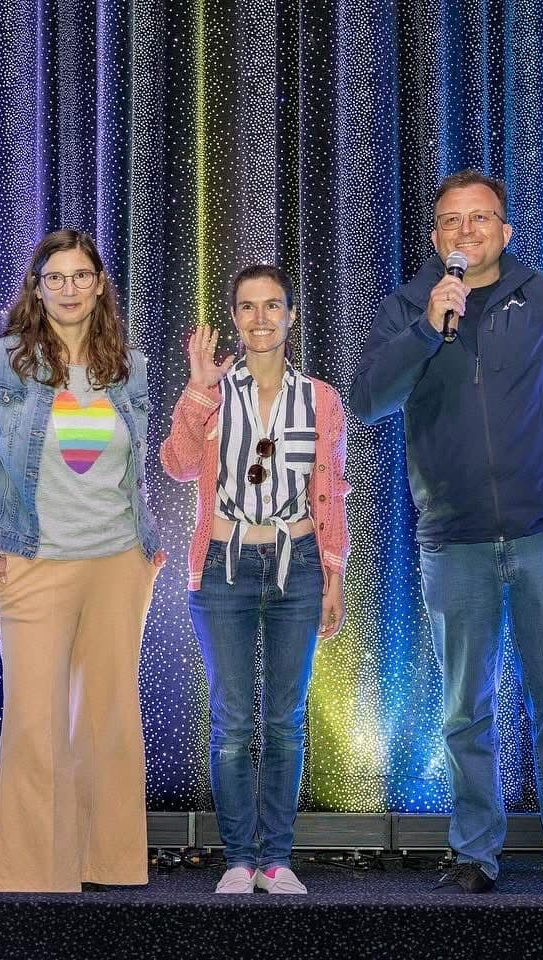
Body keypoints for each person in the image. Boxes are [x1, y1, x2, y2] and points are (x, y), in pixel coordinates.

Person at [349, 102, 543, 896]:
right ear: (436, 239)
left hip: (542, 533)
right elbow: (368, 400)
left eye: (480, 218)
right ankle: (474, 854)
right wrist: (427, 329)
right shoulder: (407, 309)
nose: (466, 230)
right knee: (466, 711)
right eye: (451, 221)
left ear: (505, 231)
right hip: (452, 542)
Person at [0, 229, 163, 893]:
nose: (70, 289)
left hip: (118, 563)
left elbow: (133, 470)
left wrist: (145, 551)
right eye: (56, 278)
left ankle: (106, 864)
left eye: (81, 276)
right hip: (32, 562)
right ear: (37, 289)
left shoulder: (130, 367)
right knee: (35, 724)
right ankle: (36, 874)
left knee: (109, 721)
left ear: (100, 286)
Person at [160, 264, 351, 895]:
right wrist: (196, 392)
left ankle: (277, 859)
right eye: (248, 306)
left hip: (298, 564)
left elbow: (331, 491)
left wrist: (334, 573)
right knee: (234, 722)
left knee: (286, 720)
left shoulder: (320, 398)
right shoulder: (214, 393)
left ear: (290, 316)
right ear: (235, 318)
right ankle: (239, 859)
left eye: (273, 306)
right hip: (223, 567)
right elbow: (177, 465)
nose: (261, 318)